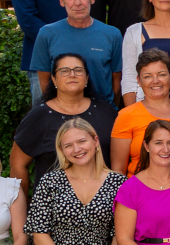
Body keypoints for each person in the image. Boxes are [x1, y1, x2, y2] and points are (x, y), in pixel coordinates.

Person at [11, 53, 119, 186]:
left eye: (78, 70)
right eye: (64, 71)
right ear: (54, 80)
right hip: (52, 203)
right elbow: (18, 165)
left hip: (101, 202)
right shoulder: (38, 116)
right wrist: (21, 205)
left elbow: (119, 161)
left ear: (87, 78)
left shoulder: (106, 112)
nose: (72, 75)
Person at [29, 0, 123, 106]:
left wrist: (109, 111)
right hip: (62, 113)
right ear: (62, 1)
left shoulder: (112, 34)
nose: (77, 2)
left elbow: (116, 83)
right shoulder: (47, 34)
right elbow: (45, 84)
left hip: (102, 112)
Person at [111, 50, 170, 174]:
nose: (155, 81)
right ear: (138, 80)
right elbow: (118, 170)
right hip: (138, 190)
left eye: (161, 74)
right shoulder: (126, 115)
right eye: (147, 76)